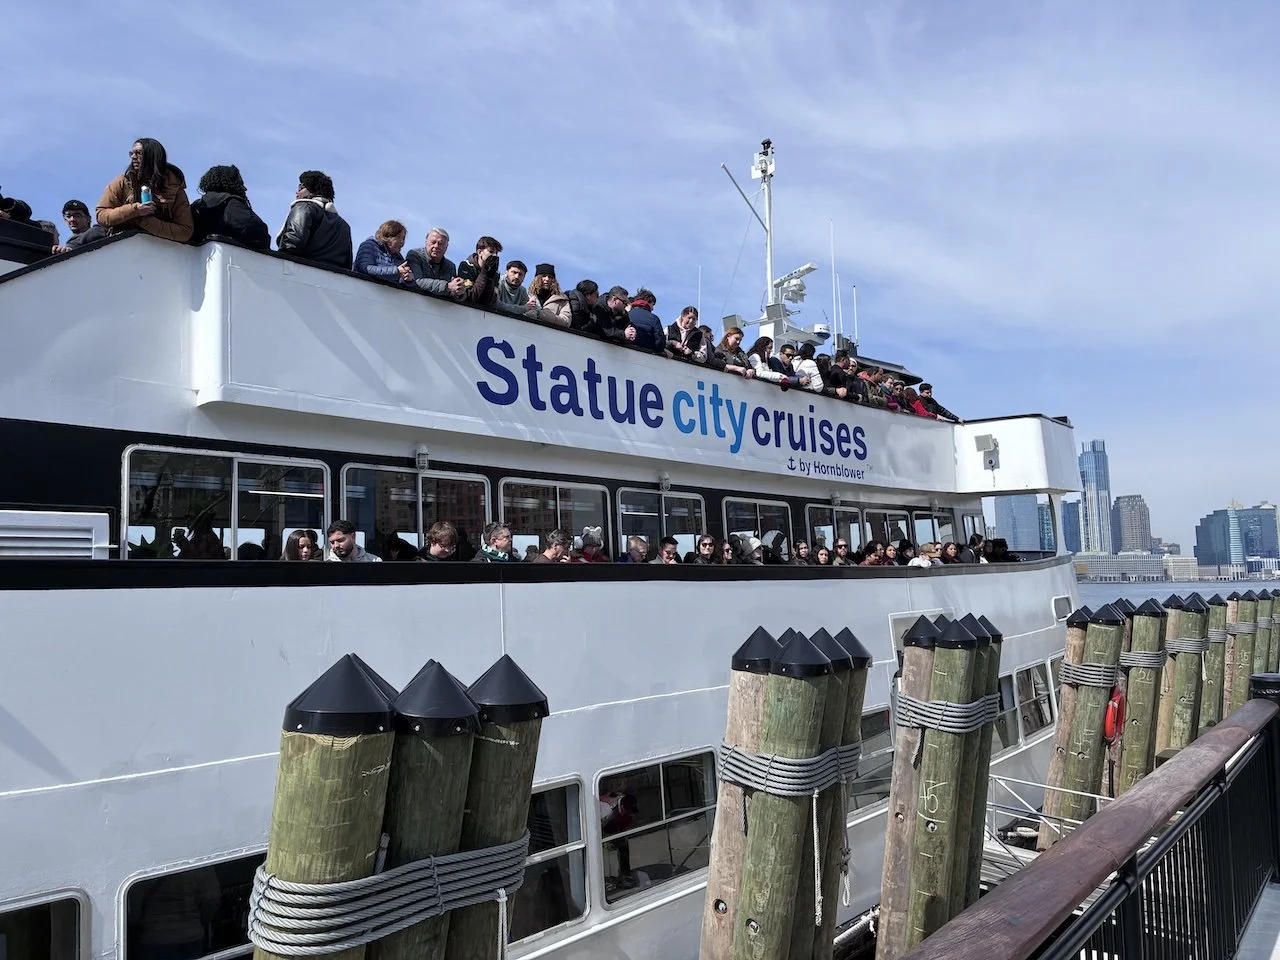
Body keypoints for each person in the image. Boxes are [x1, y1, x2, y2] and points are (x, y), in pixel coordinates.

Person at [96, 137, 193, 242]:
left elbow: (185, 231)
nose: (133, 157)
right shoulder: (122, 182)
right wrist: (134, 210)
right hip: (123, 245)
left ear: (152, 157)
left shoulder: (174, 189)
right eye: (132, 153)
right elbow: (102, 215)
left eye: (139, 153)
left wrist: (143, 221)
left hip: (161, 250)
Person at [275, 170, 352, 269]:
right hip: (333, 281)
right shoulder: (344, 226)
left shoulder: (303, 207)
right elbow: (347, 263)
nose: (297, 192)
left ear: (312, 190)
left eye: (301, 187)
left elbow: (292, 244)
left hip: (300, 274)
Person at [189, 164, 270, 249]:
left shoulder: (195, 206)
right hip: (233, 258)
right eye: (240, 183)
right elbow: (257, 230)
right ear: (231, 183)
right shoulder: (231, 203)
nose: (244, 188)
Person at [456, 236, 503, 306]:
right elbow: (470, 297)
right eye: (491, 251)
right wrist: (484, 273)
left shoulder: (495, 273)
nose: (494, 255)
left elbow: (489, 302)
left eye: (496, 253)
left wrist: (490, 278)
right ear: (479, 252)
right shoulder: (466, 266)